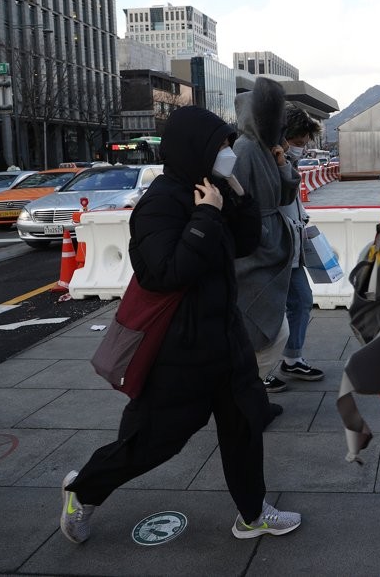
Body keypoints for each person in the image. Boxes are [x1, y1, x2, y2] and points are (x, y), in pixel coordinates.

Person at [59, 106, 301, 544]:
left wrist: (239, 199)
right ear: (197, 149)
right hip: (180, 351)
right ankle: (84, 490)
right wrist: (206, 216)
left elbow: (244, 245)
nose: (228, 152)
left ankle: (252, 513)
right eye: (221, 146)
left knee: (245, 425)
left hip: (226, 337)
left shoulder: (211, 188)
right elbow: (164, 273)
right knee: (156, 441)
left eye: (229, 144)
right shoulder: (160, 204)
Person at [231, 78, 300, 395]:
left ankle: (250, 386)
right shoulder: (244, 150)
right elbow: (237, 204)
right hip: (255, 249)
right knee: (270, 326)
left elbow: (285, 197)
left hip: (273, 243)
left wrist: (284, 165)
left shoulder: (265, 149)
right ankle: (247, 386)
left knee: (274, 322)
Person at [278, 105, 325, 382]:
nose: (301, 150)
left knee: (302, 301)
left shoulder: (287, 163)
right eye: (297, 143)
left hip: (291, 249)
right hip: (275, 251)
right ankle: (258, 371)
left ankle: (292, 358)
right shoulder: (269, 162)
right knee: (273, 311)